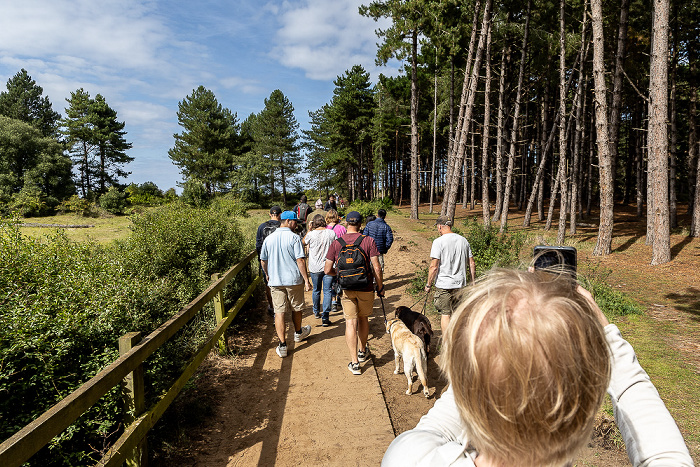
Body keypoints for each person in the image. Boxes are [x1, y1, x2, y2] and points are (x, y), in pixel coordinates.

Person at [383, 268, 694, 466]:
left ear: (465, 387)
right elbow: (663, 450)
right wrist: (607, 335)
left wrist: (478, 359)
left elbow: (447, 415)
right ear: (586, 415)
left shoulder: (410, 457)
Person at [325, 211, 384, 376]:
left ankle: (355, 363)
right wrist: (380, 286)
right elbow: (377, 267)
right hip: (365, 287)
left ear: (345, 223)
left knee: (350, 323)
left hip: (347, 289)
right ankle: (362, 350)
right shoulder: (368, 241)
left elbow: (327, 269)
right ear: (360, 224)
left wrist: (339, 275)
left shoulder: (337, 243)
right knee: (363, 318)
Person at [260, 211, 313, 358]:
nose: (296, 224)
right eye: (295, 222)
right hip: (293, 280)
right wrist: (306, 280)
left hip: (276, 281)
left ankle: (282, 345)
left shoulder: (269, 239)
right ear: (288, 221)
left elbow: (263, 260)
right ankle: (297, 333)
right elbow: (300, 260)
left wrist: (267, 274)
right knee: (296, 308)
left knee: (279, 311)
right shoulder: (295, 238)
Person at [424, 216, 476, 332]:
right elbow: (472, 263)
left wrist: (428, 284)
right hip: (460, 284)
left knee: (445, 314)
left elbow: (434, 267)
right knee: (457, 313)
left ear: (440, 226)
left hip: (444, 285)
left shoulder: (438, 242)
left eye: (438, 228)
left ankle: (447, 342)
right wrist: (473, 282)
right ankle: (457, 339)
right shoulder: (463, 240)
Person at [303, 214, 337, 326]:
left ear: (314, 223)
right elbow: (337, 245)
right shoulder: (331, 233)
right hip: (329, 266)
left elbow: (303, 242)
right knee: (327, 290)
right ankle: (325, 316)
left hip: (315, 267)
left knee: (316, 290)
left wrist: (309, 229)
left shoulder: (311, 234)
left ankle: (316, 311)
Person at [255, 205, 282, 317]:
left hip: (265, 260)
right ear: (280, 215)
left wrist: (261, 259)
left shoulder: (262, 227)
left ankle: (272, 307)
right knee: (281, 283)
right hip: (280, 260)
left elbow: (258, 245)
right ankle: (281, 306)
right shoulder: (282, 226)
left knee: (268, 283)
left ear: (270, 214)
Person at [325, 209, 346, 311]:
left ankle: (333, 301)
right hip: (341, 257)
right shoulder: (342, 228)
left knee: (332, 280)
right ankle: (339, 298)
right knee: (340, 278)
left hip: (329, 257)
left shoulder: (325, 228)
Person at [363, 208, 394, 273]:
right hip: (380, 250)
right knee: (379, 268)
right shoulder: (386, 226)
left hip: (370, 250)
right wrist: (385, 248)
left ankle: (372, 281)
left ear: (377, 215)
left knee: (370, 268)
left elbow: (364, 236)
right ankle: (378, 282)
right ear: (385, 216)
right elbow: (390, 239)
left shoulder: (369, 224)